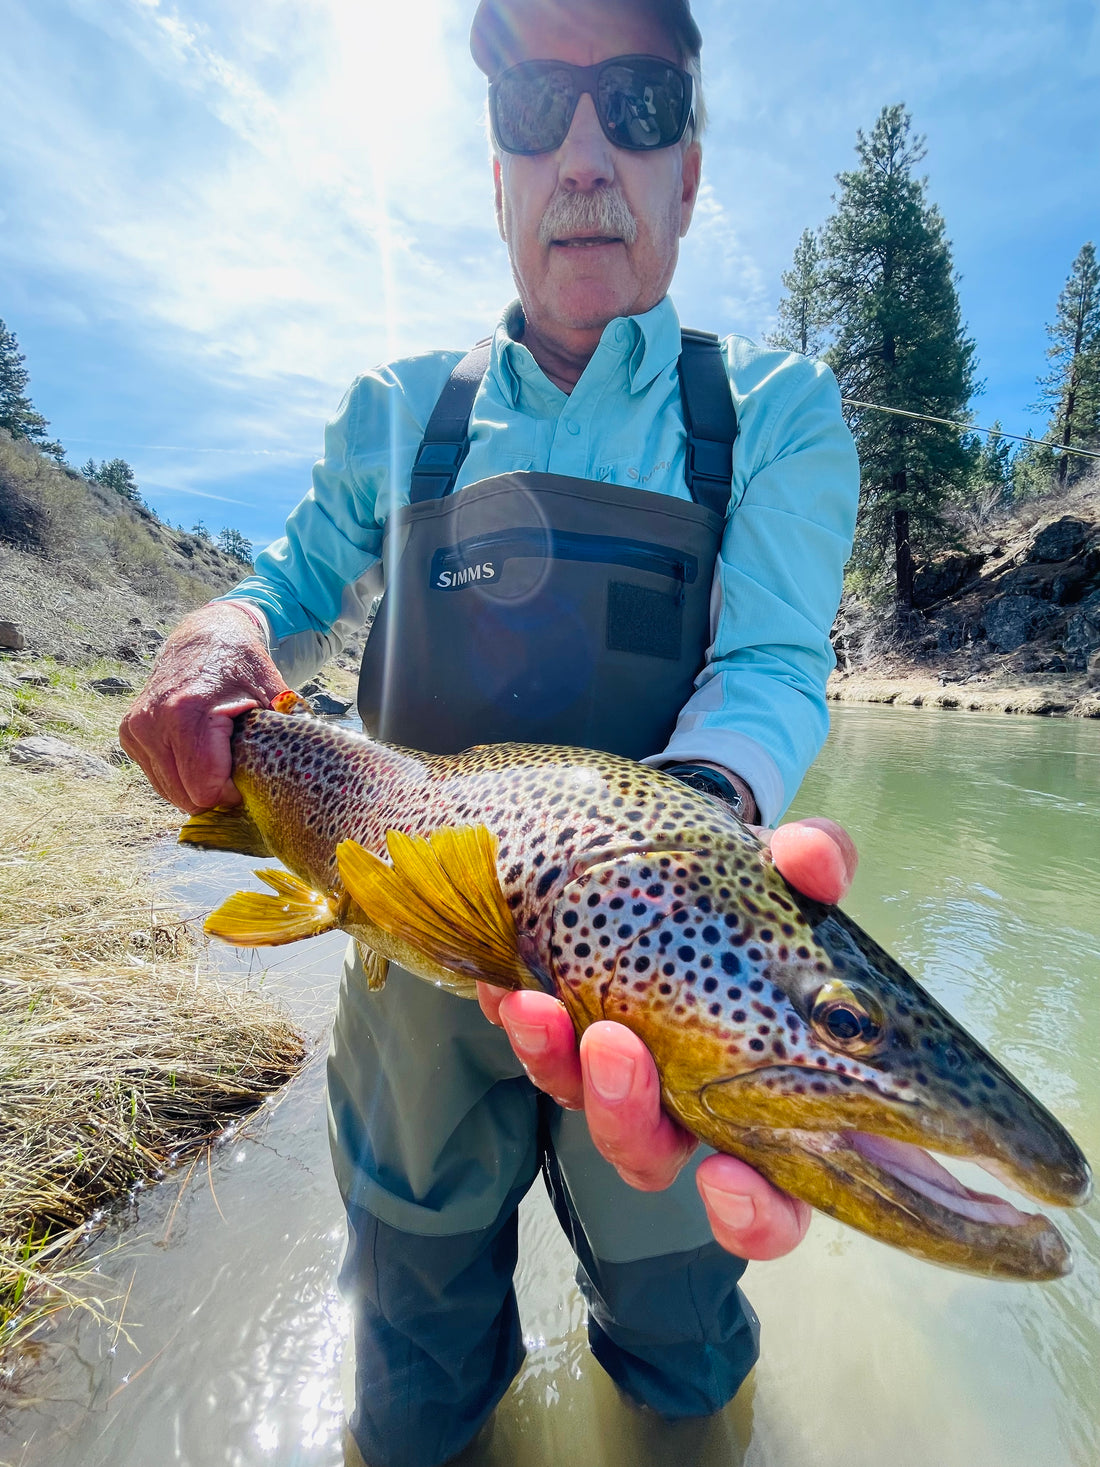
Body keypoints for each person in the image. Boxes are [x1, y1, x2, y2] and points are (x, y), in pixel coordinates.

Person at [120, 2, 861, 1463]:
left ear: (690, 173)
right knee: (415, 1376)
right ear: (496, 170)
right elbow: (285, 589)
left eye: (638, 104)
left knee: (684, 1355)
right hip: (404, 974)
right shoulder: (395, 412)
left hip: (652, 981)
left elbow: (774, 663)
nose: (585, 150)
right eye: (535, 105)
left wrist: (675, 834)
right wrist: (219, 636)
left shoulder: (775, 413)